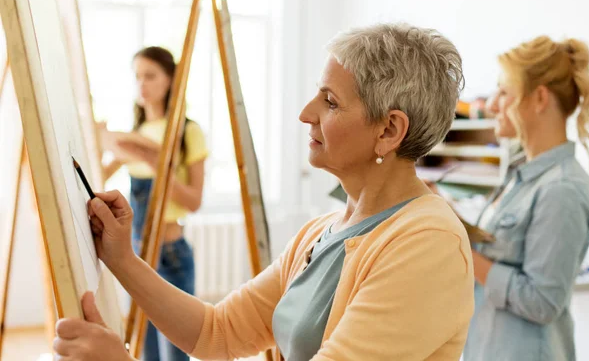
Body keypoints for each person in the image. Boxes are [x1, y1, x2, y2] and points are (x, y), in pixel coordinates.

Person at [54, 23, 474, 361]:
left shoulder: (428, 243)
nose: (305, 113)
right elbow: (217, 332)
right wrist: (121, 258)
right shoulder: (322, 231)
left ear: (388, 130)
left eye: (329, 101)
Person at [463, 36, 589, 360]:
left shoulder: (562, 189)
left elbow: (542, 302)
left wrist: (466, 254)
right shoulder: (519, 176)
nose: (493, 104)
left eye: (504, 92)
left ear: (539, 98)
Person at [101, 46, 209, 361]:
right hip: (136, 256)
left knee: (174, 355)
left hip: (170, 258)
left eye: (150, 76)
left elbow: (194, 201)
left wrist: (156, 163)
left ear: (170, 80)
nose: (142, 84)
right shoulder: (135, 134)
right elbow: (96, 172)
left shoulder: (188, 131)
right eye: (137, 77)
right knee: (142, 353)